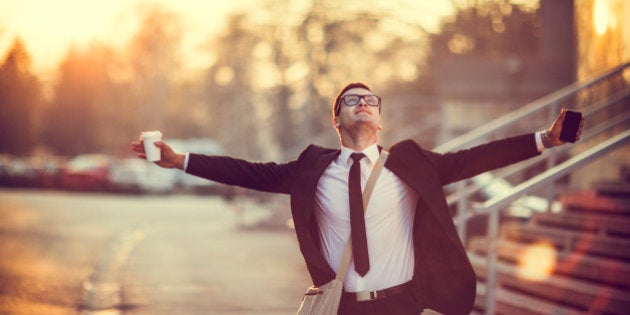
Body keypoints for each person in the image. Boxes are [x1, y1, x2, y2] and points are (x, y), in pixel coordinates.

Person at [131, 82, 584, 315]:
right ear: (337, 119)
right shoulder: (314, 167)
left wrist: (544, 138)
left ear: (381, 120)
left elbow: (474, 159)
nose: (363, 103)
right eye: (352, 100)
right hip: (341, 308)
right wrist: (182, 160)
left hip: (403, 303)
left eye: (370, 99)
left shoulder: (410, 164)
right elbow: (250, 172)